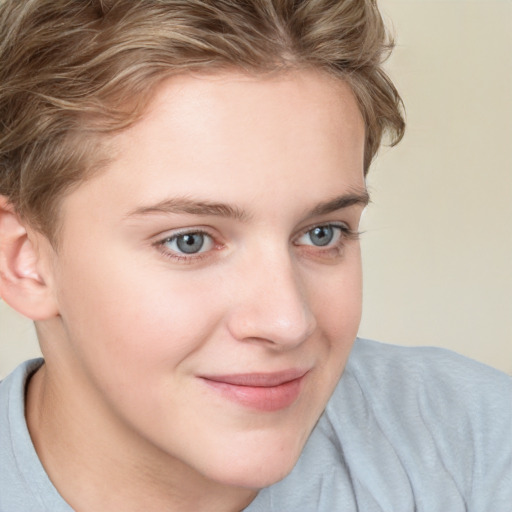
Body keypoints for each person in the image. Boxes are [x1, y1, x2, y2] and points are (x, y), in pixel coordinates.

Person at [0, 0, 510, 510]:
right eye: (189, 241)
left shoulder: (474, 442)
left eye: (322, 233)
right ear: (25, 261)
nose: (288, 322)